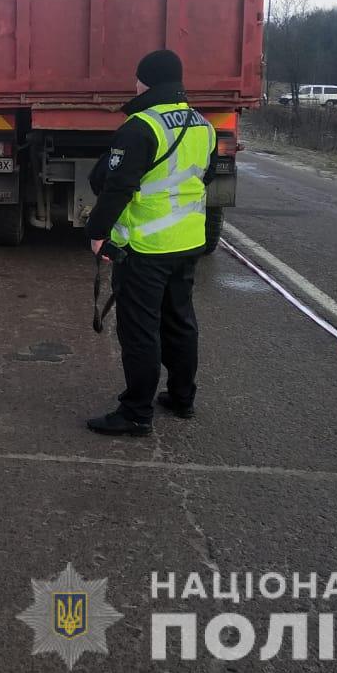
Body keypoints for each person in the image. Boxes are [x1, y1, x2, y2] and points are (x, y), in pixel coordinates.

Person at [84, 49, 218, 437]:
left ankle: (136, 412)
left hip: (146, 247)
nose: (134, 85)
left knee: (139, 330)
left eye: (138, 78)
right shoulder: (202, 125)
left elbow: (117, 187)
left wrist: (96, 233)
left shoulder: (141, 126)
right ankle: (182, 398)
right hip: (188, 241)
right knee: (180, 322)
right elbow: (203, 177)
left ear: (148, 81)